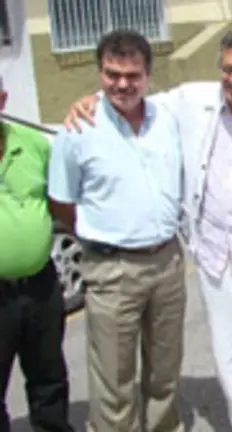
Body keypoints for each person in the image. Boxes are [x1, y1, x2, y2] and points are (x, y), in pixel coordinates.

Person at [62, 29, 232, 432]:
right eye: (227, 69)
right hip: (213, 257)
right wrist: (89, 100)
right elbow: (129, 96)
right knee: (230, 361)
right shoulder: (194, 101)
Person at [48, 30, 186, 432]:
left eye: (132, 75)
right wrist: (101, 235)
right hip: (111, 269)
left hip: (167, 261)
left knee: (164, 369)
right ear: (99, 72)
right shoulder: (77, 130)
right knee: (113, 378)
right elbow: (62, 200)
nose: (122, 84)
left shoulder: (167, 118)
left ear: (148, 74)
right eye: (112, 74)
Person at [0, 76, 74, 432]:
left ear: (2, 100)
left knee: (49, 378)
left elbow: (60, 201)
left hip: (41, 287)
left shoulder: (33, 145)